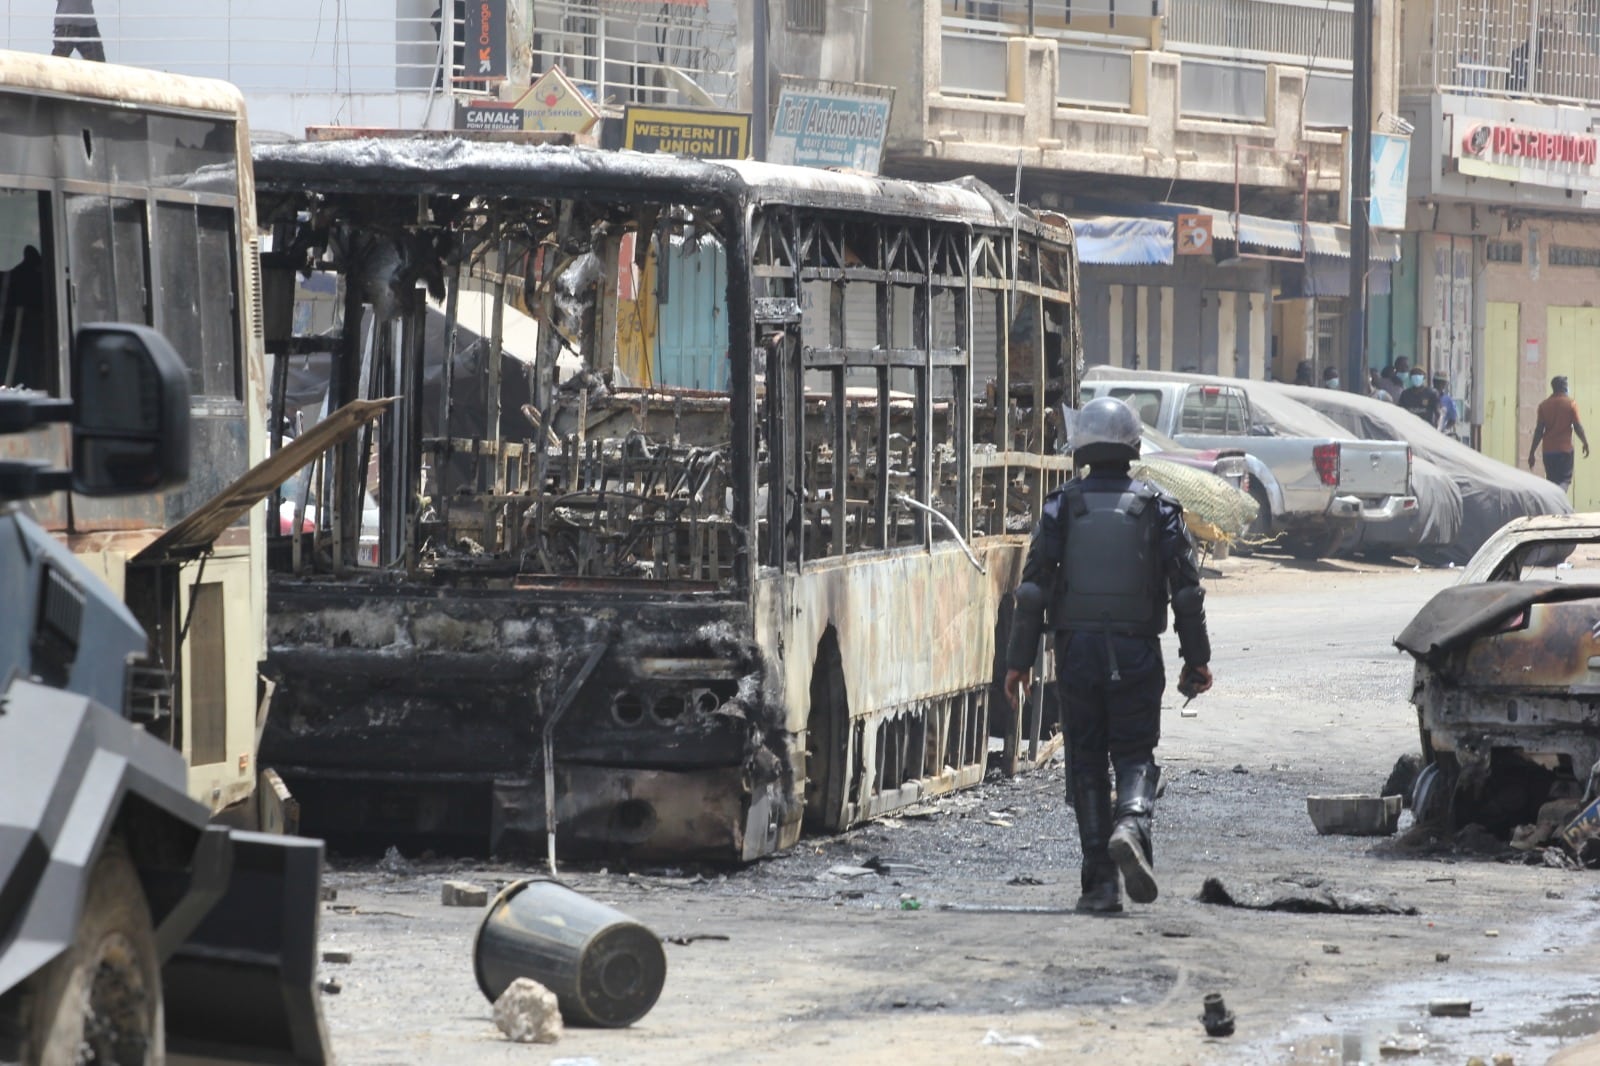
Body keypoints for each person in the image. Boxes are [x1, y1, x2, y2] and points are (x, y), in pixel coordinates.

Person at [1003, 398, 1213, 915]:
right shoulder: (1159, 508)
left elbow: (1031, 594)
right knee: (1135, 754)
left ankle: (1099, 887)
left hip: (1076, 655)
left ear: (1083, 447)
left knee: (1087, 762)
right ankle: (1131, 823)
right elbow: (1186, 593)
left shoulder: (1060, 507)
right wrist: (1197, 659)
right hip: (1137, 652)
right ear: (1134, 446)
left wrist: (1018, 661)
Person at [1530, 375, 1590, 491]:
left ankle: (1554, 506)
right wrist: (1585, 442)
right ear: (1564, 387)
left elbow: (1538, 431)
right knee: (1564, 481)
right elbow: (1577, 427)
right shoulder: (1571, 404)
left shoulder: (1543, 405)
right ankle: (1560, 504)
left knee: (1552, 482)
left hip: (1548, 452)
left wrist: (1532, 452)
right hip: (1564, 451)